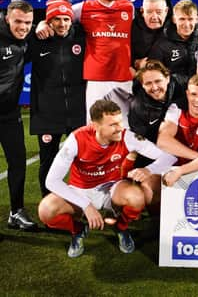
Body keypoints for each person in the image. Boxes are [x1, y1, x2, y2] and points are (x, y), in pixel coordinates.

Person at [37, 100, 176, 258]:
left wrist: (148, 169)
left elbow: (168, 157)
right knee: (46, 211)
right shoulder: (76, 139)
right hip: (80, 191)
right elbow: (51, 181)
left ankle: (121, 228)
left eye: (120, 122)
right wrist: (86, 206)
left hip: (112, 188)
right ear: (95, 125)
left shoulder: (127, 136)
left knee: (137, 197)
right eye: (112, 125)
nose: (119, 128)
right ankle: (78, 230)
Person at [36, 0, 135, 120]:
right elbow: (59, 15)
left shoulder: (128, 7)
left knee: (124, 128)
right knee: (95, 126)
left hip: (124, 78)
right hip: (96, 79)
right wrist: (43, 23)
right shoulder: (83, 8)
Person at [30, 0, 85, 197]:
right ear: (49, 20)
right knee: (49, 161)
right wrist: (37, 24)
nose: (62, 24)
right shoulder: (36, 39)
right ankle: (49, 204)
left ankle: (83, 202)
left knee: (83, 161)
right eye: (56, 19)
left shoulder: (82, 36)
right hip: (47, 114)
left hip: (78, 112)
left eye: (66, 19)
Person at [1, 0, 37, 231]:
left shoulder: (24, 42)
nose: (23, 27)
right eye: (18, 22)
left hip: (9, 113)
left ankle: (16, 212)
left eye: (28, 23)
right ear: (6, 18)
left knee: (17, 162)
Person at [147, 0, 198, 88]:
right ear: (174, 19)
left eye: (190, 19)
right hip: (173, 94)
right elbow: (153, 76)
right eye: (182, 19)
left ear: (197, 20)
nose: (186, 24)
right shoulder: (161, 45)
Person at [132, 0, 170, 70]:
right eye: (149, 12)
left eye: (159, 12)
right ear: (142, 11)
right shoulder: (130, 28)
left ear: (166, 11)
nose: (154, 17)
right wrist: (134, 63)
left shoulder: (176, 27)